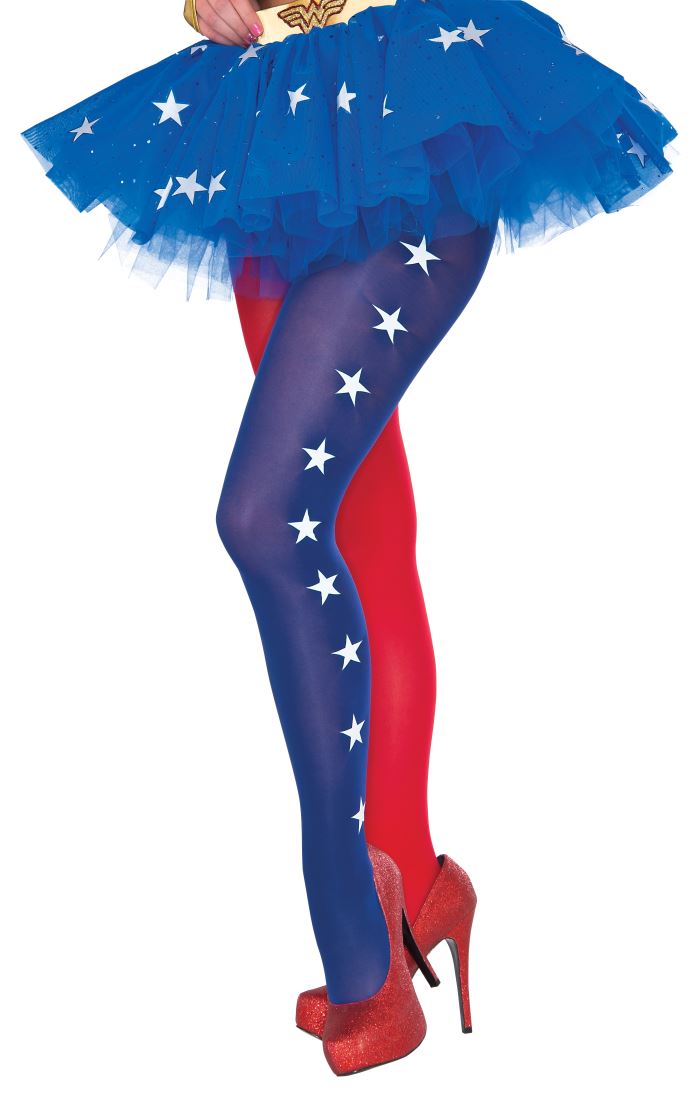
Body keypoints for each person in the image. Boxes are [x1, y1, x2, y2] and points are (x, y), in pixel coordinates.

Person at [20, 0, 679, 1075]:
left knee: (264, 518)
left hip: (413, 92)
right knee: (354, 531)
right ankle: (415, 876)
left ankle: (357, 938)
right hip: (268, 117)